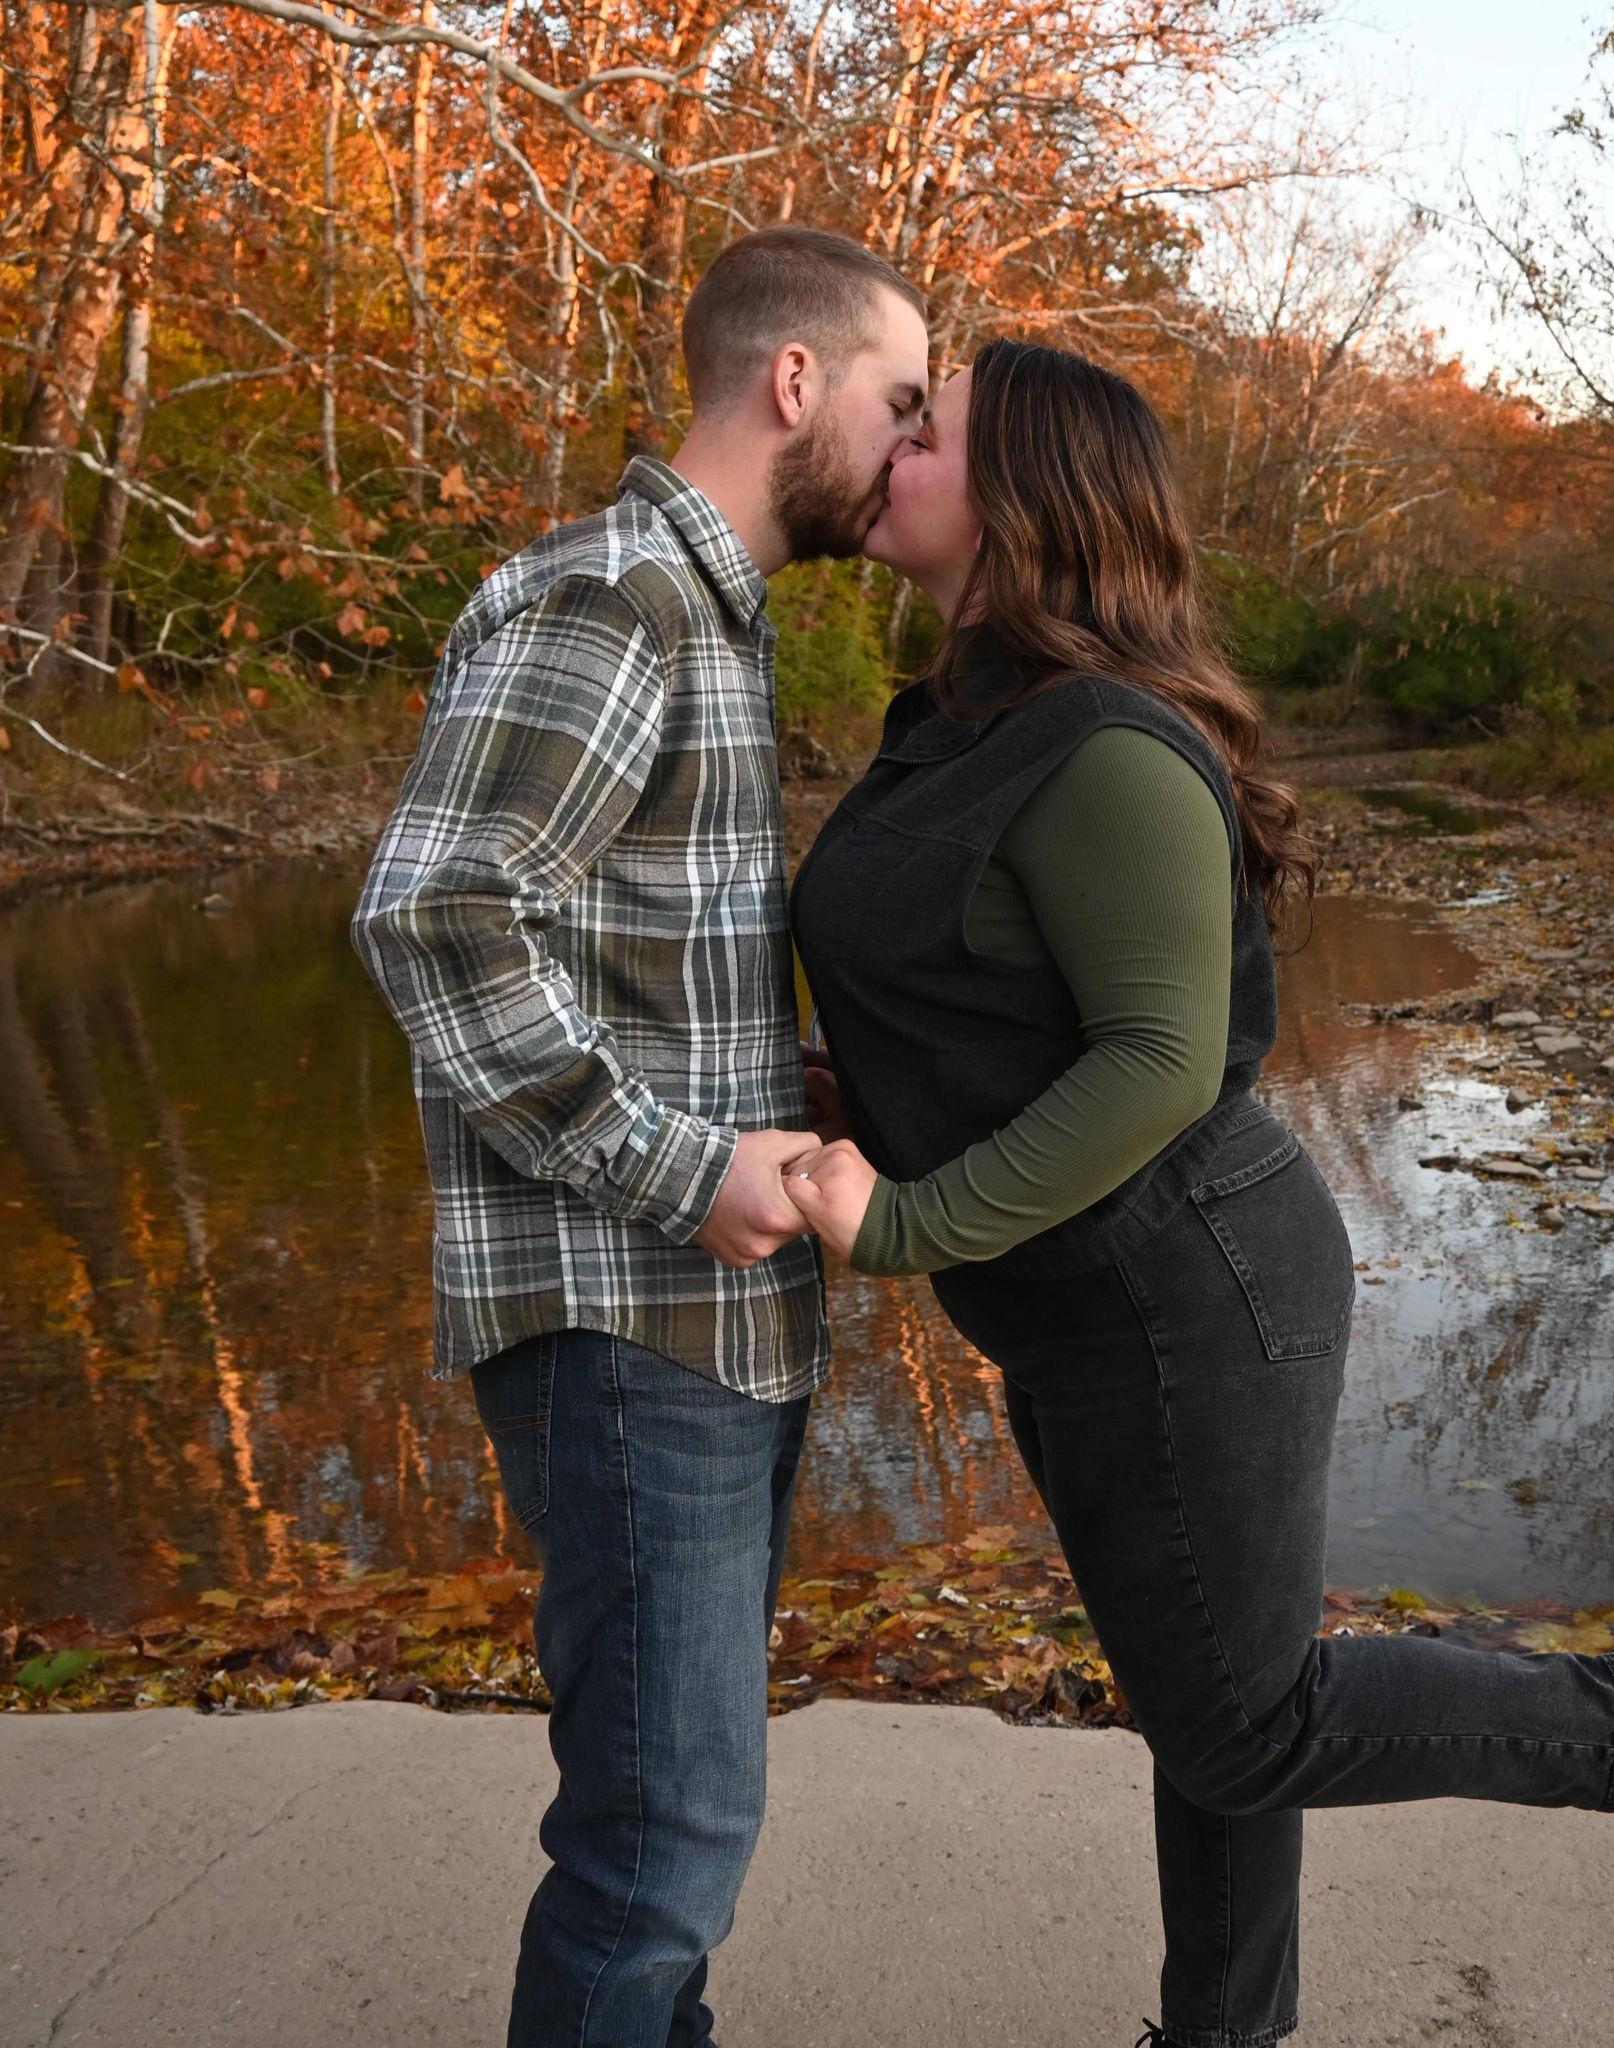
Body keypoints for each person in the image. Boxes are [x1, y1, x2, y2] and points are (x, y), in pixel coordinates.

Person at [779, 337, 1614, 2048]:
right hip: (1079, 1298)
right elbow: (1003, 999)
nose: (897, 444)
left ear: (1027, 499)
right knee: (1206, 1694)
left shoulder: (1104, 744)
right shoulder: (955, 722)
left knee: (1246, 1719)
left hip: (1191, 1286)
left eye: (937, 430)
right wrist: (874, 1098)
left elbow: (1161, 1061)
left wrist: (911, 1221)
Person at [350, 225, 928, 2048]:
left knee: (669, 1833)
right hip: (629, 1324)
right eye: (901, 401)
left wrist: (787, 1090)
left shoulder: (711, 614)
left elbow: (620, 950)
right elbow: (440, 913)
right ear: (793, 382)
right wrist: (689, 1164)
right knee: (658, 1846)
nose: (913, 447)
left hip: (697, 1326)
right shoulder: (619, 599)